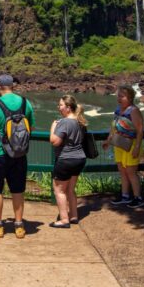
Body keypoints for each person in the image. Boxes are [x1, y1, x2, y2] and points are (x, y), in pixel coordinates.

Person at [0, 74, 35, 239]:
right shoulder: (26, 103)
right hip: (19, 153)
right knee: (17, 190)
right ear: (13, 86)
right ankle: (19, 226)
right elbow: (31, 127)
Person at [103, 85, 144, 209]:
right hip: (119, 144)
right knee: (122, 171)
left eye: (122, 96)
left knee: (131, 172)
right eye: (118, 96)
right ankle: (125, 196)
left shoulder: (134, 111)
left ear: (130, 97)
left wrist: (137, 147)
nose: (119, 99)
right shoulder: (118, 110)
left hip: (131, 145)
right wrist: (108, 140)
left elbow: (140, 130)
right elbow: (113, 126)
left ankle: (138, 198)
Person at [49, 95, 87, 227]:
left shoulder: (64, 122)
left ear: (68, 108)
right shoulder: (79, 121)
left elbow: (55, 141)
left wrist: (53, 127)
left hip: (66, 159)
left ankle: (64, 220)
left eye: (60, 105)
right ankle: (74, 216)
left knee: (59, 190)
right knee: (71, 189)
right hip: (79, 158)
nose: (59, 108)